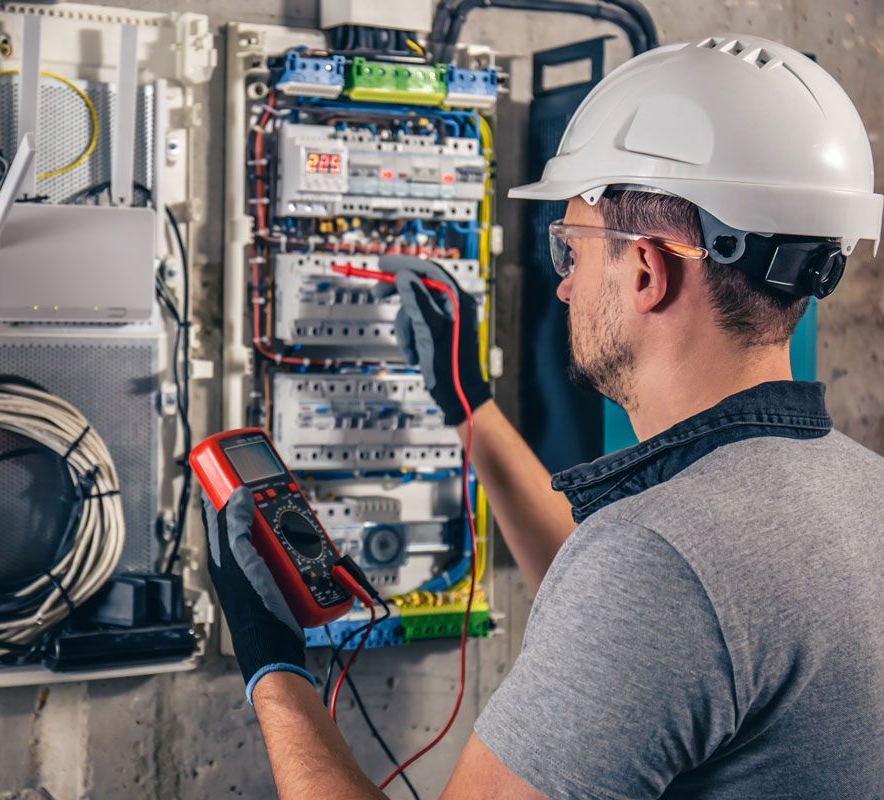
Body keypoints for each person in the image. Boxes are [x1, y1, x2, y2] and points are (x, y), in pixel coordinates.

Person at [203, 33, 884, 799]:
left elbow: (655, 595)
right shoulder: (860, 495)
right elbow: (655, 630)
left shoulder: (661, 567)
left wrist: (273, 664)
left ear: (646, 269)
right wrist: (469, 406)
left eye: (572, 250)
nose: (563, 287)